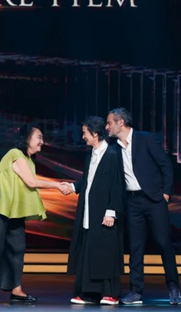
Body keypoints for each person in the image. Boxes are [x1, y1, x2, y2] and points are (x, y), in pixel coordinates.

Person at [0, 123, 72, 304]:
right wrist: (58, 185)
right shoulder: (15, 154)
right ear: (27, 138)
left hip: (15, 209)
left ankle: (16, 289)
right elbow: (31, 182)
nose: (42, 142)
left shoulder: (30, 160)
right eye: (39, 137)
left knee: (17, 247)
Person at [106, 107, 181, 305]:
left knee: (164, 243)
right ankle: (136, 291)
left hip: (154, 199)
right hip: (132, 202)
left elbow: (165, 165)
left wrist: (166, 193)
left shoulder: (145, 139)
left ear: (121, 122)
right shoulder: (114, 147)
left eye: (109, 123)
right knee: (135, 247)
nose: (107, 127)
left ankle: (173, 287)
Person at [67, 116, 124, 306]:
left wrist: (111, 211)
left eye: (85, 133)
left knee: (105, 252)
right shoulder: (90, 155)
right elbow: (87, 181)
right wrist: (72, 187)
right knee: (90, 251)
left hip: (104, 212)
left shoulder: (112, 155)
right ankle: (89, 293)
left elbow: (117, 185)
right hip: (89, 211)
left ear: (95, 134)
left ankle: (110, 293)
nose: (83, 137)